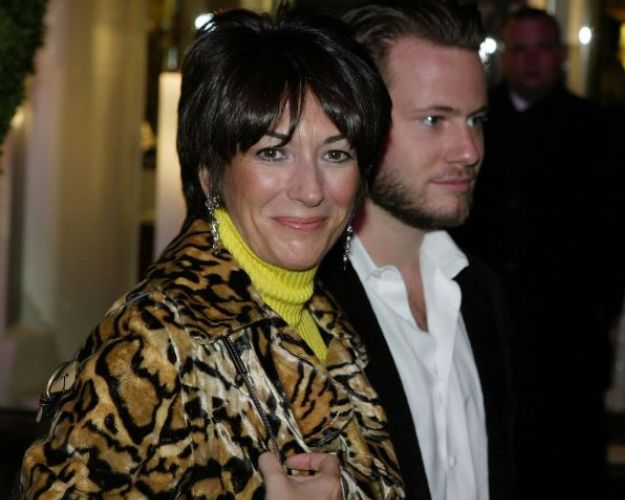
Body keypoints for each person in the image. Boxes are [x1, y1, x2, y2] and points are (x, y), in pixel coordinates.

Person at [19, 6, 405, 499]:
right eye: (273, 152)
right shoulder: (156, 339)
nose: (311, 190)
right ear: (210, 174)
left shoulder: (330, 324)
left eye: (336, 154)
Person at [319, 1, 515, 499]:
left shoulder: (480, 292)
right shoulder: (307, 305)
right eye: (434, 119)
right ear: (358, 119)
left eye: (476, 120)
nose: (469, 150)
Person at [453, 6, 625, 499]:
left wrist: (599, 309)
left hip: (568, 331)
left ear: (560, 55)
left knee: (568, 455)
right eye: (521, 48)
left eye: (542, 48)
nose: (532, 59)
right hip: (484, 323)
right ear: (503, 56)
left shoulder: (599, 127)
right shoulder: (474, 124)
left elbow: (620, 232)